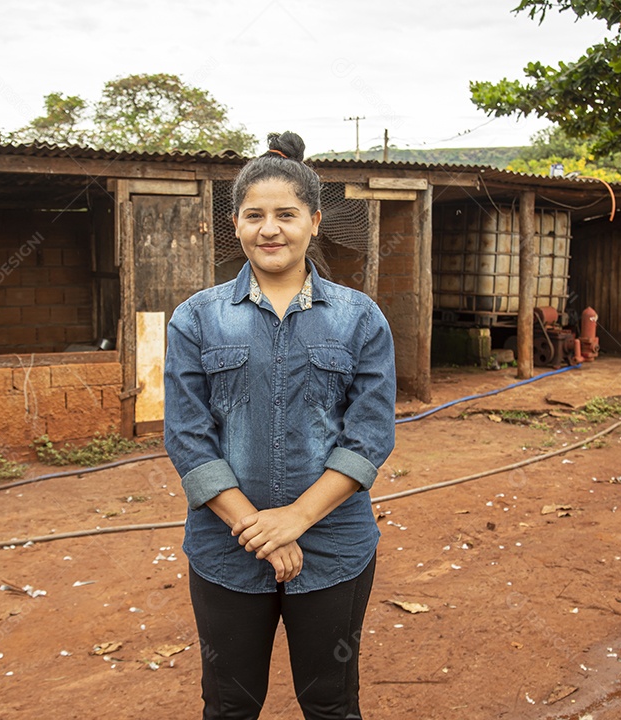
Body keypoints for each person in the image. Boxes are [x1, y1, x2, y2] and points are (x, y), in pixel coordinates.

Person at [164, 130, 397, 719]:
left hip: (333, 546)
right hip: (226, 549)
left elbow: (369, 435)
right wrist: (257, 529)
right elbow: (188, 438)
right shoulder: (197, 318)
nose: (270, 229)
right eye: (254, 215)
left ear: (315, 222)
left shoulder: (359, 318)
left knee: (330, 702)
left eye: (286, 214)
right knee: (229, 704)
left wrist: (295, 520)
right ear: (236, 225)